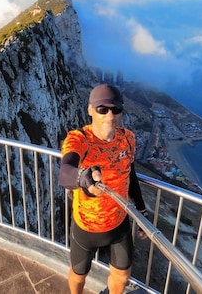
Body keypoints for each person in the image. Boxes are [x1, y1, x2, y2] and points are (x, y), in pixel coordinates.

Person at [59, 84, 148, 294]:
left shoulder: (128, 138)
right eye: (102, 109)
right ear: (90, 110)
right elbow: (65, 172)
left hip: (119, 223)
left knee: (122, 276)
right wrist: (84, 177)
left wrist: (142, 212)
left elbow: (130, 174)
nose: (110, 115)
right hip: (86, 227)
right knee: (79, 276)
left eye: (116, 109)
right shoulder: (80, 139)